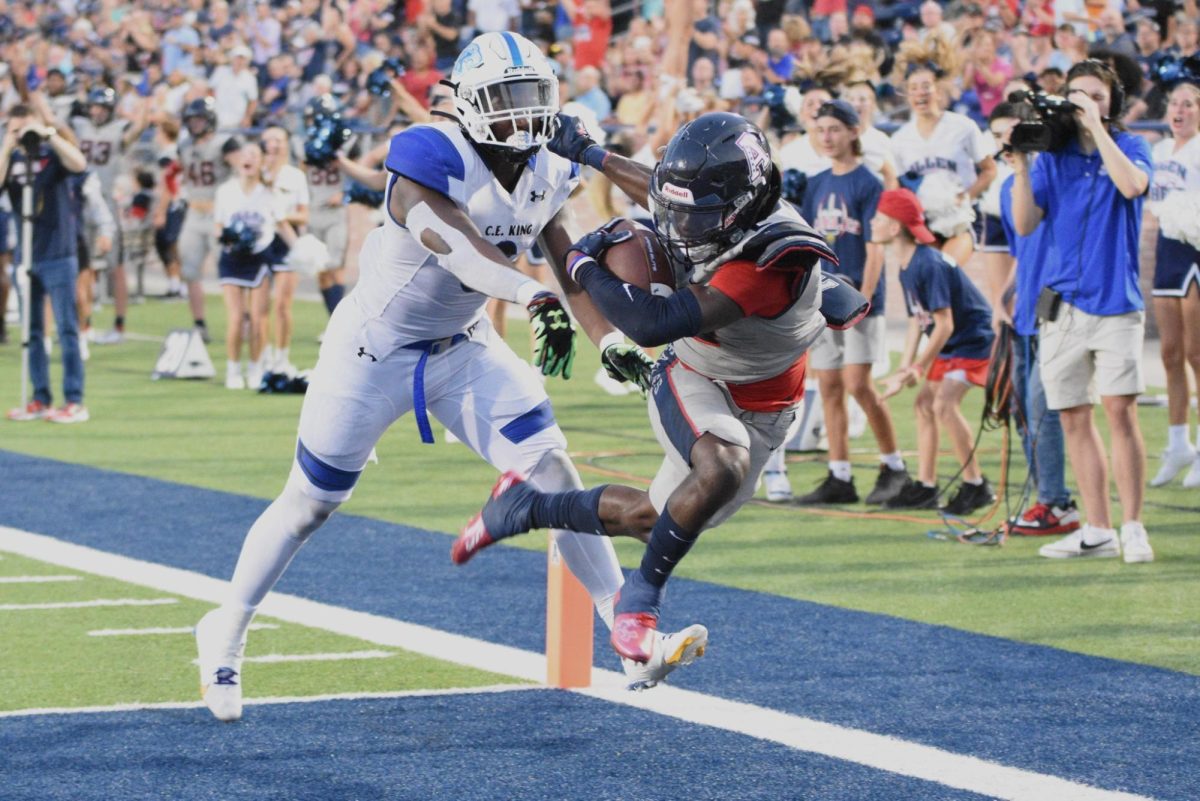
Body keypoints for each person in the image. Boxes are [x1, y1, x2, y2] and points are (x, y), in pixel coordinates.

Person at [193, 32, 699, 723]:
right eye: (508, 99)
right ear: (470, 103)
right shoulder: (429, 153)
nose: (525, 115)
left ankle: (626, 634)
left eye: (533, 97)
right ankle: (225, 628)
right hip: (373, 351)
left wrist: (607, 338)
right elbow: (459, 246)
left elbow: (569, 259)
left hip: (463, 347)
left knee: (551, 470)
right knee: (309, 503)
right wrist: (530, 298)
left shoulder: (550, 161)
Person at [452, 111, 849, 666]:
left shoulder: (766, 262)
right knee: (721, 464)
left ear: (743, 206)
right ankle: (638, 606)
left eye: (699, 214)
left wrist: (582, 264)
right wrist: (594, 154)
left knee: (656, 518)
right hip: (697, 376)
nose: (680, 228)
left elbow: (654, 321)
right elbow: (666, 201)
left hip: (762, 403)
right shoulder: (729, 210)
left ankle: (525, 507)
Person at [1009, 59, 1154, 562]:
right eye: (1077, 94)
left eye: (1095, 95)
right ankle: (1097, 527)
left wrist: (1096, 126)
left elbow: (1132, 185)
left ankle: (1132, 524)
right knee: (1071, 415)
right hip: (1062, 304)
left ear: (1111, 100)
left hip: (1116, 301)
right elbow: (1026, 224)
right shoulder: (1054, 155)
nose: (1084, 102)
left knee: (1120, 410)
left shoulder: (1132, 145)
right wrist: (1021, 167)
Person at [790, 100, 908, 505]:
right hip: (822, 299)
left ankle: (894, 466)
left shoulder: (869, 182)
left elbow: (876, 248)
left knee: (859, 385)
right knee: (830, 387)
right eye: (820, 128)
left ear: (854, 132)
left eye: (835, 129)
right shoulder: (816, 182)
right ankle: (839, 475)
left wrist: (865, 299)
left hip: (857, 300)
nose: (827, 136)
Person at [874, 189, 998, 514]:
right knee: (924, 404)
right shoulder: (907, 264)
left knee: (944, 405)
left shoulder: (928, 264)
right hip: (954, 343)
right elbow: (919, 320)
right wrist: (906, 367)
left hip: (973, 340)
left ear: (894, 228)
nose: (873, 222)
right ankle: (927, 488)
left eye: (879, 218)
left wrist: (918, 368)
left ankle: (976, 485)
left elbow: (944, 324)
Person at [992, 103, 1082, 537]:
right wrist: (1003, 296)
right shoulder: (1009, 185)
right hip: (1023, 308)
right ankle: (1043, 496)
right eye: (998, 137)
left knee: (1042, 407)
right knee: (1021, 408)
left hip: (1053, 305)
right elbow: (1020, 251)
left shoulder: (1050, 176)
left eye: (1012, 134)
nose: (1007, 144)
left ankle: (1055, 501)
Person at [1, 104, 90, 423]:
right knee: (31, 329)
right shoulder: (11, 159)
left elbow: (79, 163)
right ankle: (39, 396)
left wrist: (48, 134)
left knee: (67, 328)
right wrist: (9, 144)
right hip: (26, 254)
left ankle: (74, 399)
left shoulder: (53, 157)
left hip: (59, 252)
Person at [890, 37, 997, 266]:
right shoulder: (900, 139)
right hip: (923, 220)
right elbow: (900, 187)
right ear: (907, 95)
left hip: (960, 217)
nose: (921, 93)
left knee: (945, 267)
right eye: (914, 88)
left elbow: (989, 170)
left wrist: (965, 197)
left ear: (937, 90)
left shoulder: (963, 126)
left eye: (926, 86)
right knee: (929, 281)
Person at [1146, 80, 1200, 489]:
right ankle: (1179, 442)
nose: (1180, 111)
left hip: (1196, 249)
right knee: (1169, 352)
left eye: (1189, 104)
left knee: (1197, 353)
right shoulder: (1159, 152)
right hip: (1168, 247)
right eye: (1175, 104)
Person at [67, 86, 150, 345]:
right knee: (83, 268)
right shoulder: (79, 126)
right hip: (80, 205)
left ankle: (119, 324)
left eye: (102, 107)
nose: (97, 111)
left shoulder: (118, 130)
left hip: (107, 205)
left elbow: (138, 128)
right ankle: (85, 323)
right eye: (94, 106)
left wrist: (144, 103)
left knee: (117, 267)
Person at [213, 141, 290, 390]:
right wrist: (227, 237)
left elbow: (282, 224)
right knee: (236, 318)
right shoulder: (225, 191)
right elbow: (218, 225)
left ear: (260, 162)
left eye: (254, 155)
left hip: (260, 257)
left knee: (258, 318)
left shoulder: (270, 194)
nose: (248, 159)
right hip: (232, 259)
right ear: (237, 161)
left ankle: (255, 368)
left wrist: (301, 248)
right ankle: (233, 369)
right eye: (244, 154)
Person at [178, 96, 239, 344]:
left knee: (229, 271)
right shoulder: (183, 146)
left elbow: (241, 169)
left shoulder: (226, 143)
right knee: (190, 271)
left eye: (199, 119)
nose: (195, 124)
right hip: (193, 212)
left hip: (218, 214)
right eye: (191, 120)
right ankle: (199, 323)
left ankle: (238, 321)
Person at [259, 125, 309, 377]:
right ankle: (263, 354)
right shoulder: (255, 173)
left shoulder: (295, 176)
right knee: (258, 307)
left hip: (285, 242)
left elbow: (303, 214)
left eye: (280, 140)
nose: (275, 145)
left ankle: (282, 356)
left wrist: (281, 215)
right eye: (270, 140)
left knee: (281, 304)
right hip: (259, 241)